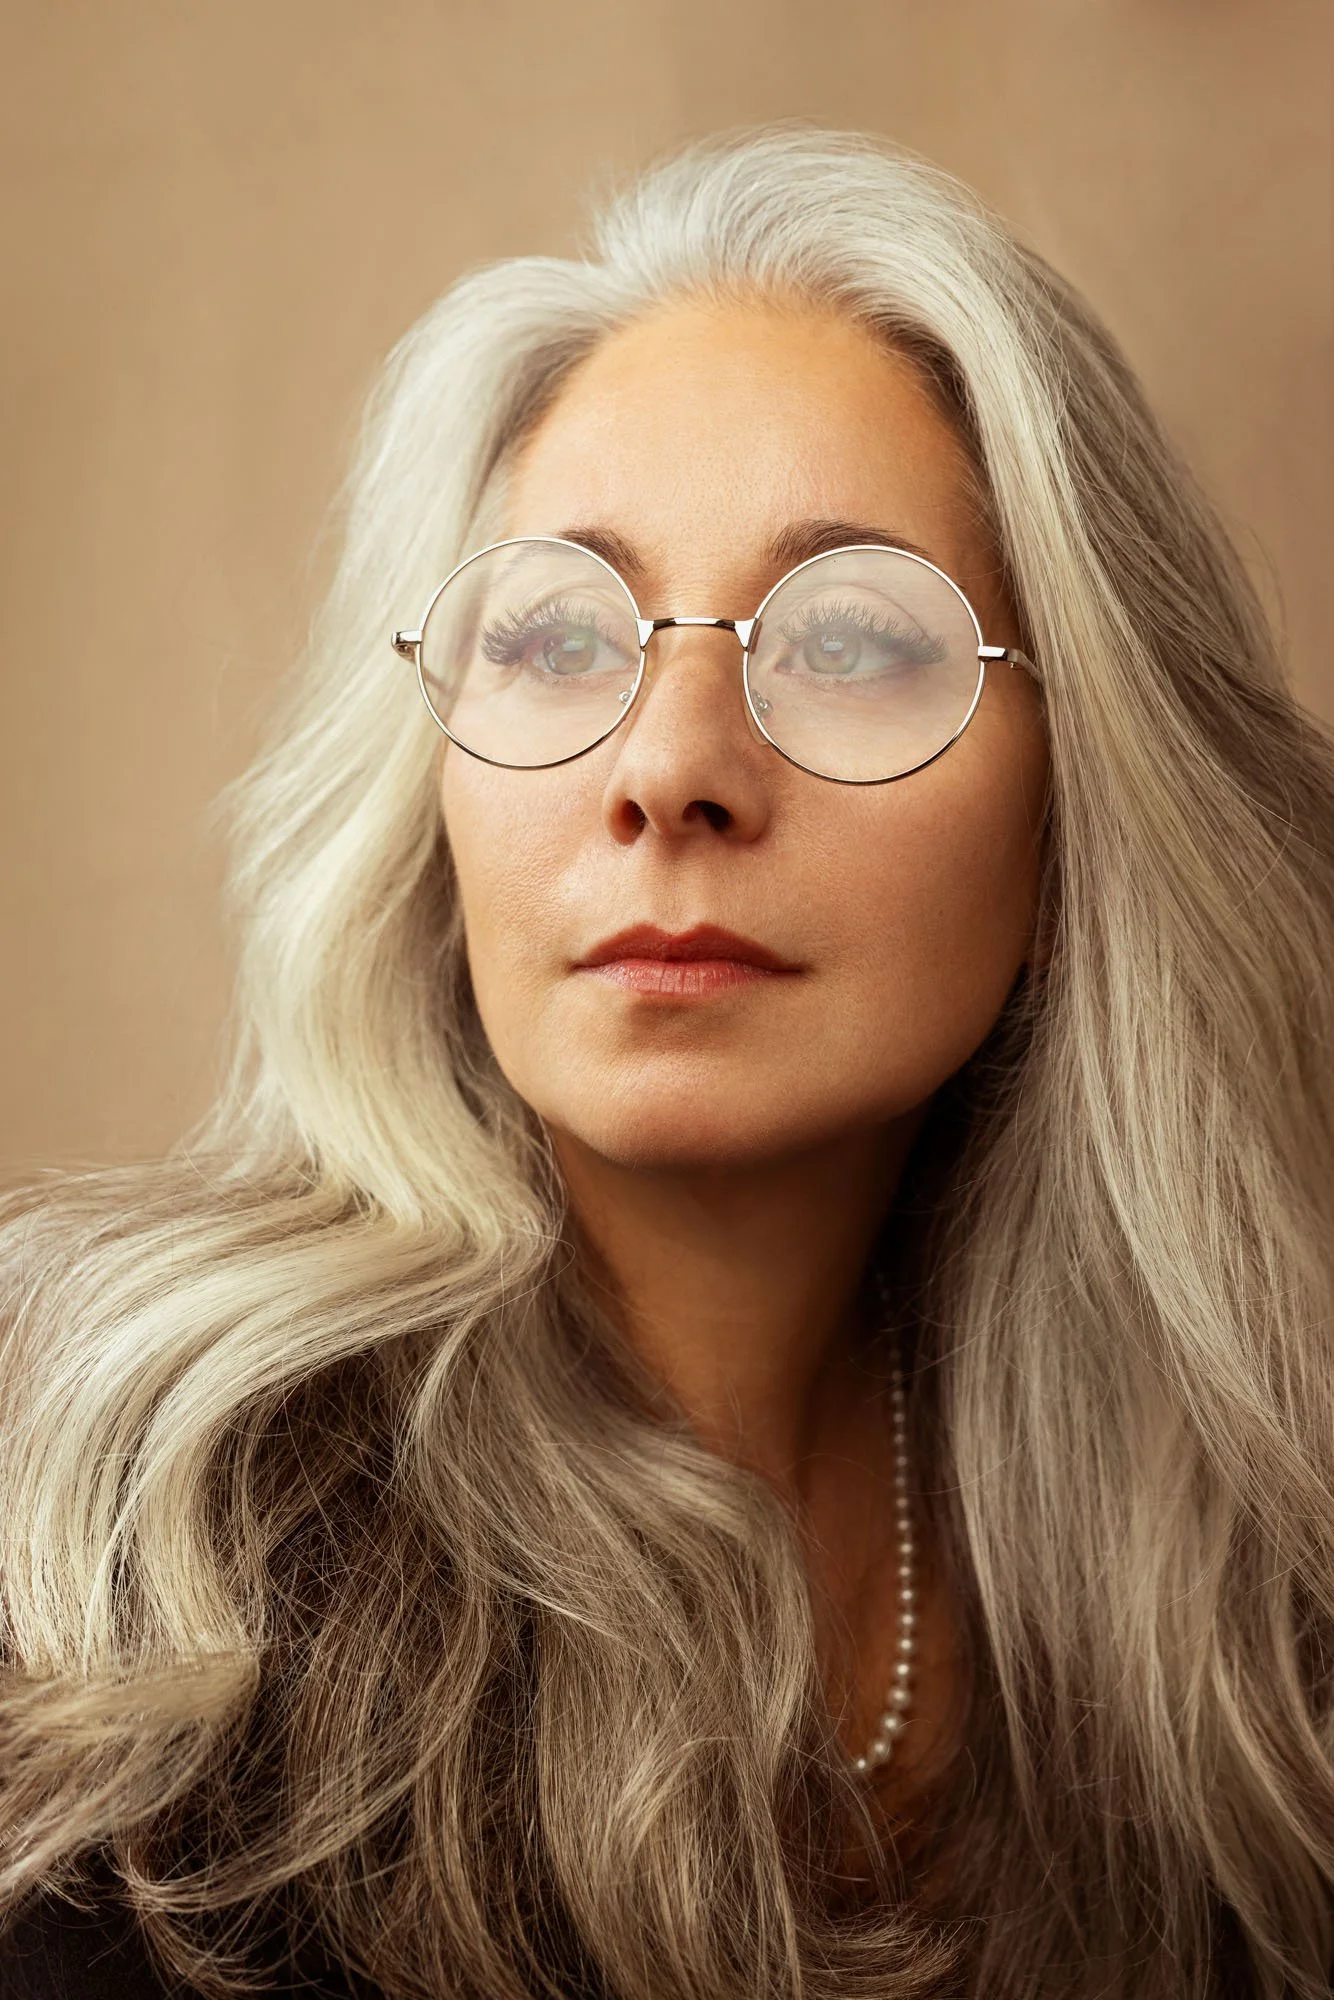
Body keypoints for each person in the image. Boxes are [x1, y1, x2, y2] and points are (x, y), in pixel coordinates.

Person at [1, 126, 1330, 2000]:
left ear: (1076, 826)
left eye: (854, 638)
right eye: (557, 632)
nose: (668, 765)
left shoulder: (1245, 1594)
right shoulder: (102, 1522)